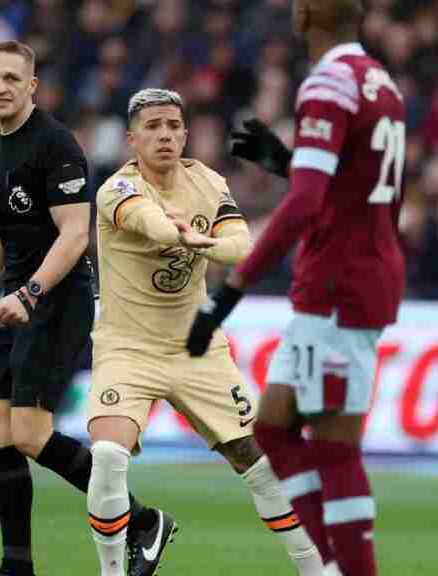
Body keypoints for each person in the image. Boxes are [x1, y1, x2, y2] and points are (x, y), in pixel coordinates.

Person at [187, 1, 408, 575]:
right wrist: (289, 162)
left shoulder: (329, 81)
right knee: (275, 429)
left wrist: (232, 288)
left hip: (340, 284)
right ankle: (329, 568)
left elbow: (307, 204)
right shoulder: (380, 82)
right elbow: (350, 187)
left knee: (335, 446)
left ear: (308, 13)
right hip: (356, 274)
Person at [0, 41, 159, 576]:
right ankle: (18, 565)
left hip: (56, 301)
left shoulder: (56, 145)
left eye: (11, 78)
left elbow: (76, 234)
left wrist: (29, 293)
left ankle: (142, 520)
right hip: (14, 301)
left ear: (32, 85)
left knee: (29, 433)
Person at [87, 87, 323, 576]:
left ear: (186, 134)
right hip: (128, 349)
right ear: (132, 139)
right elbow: (149, 223)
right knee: (108, 456)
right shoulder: (117, 189)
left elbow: (241, 245)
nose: (165, 135)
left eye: (173, 126)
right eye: (152, 127)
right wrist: (180, 233)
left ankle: (316, 570)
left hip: (196, 348)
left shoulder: (208, 182)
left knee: (261, 462)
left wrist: (200, 239)